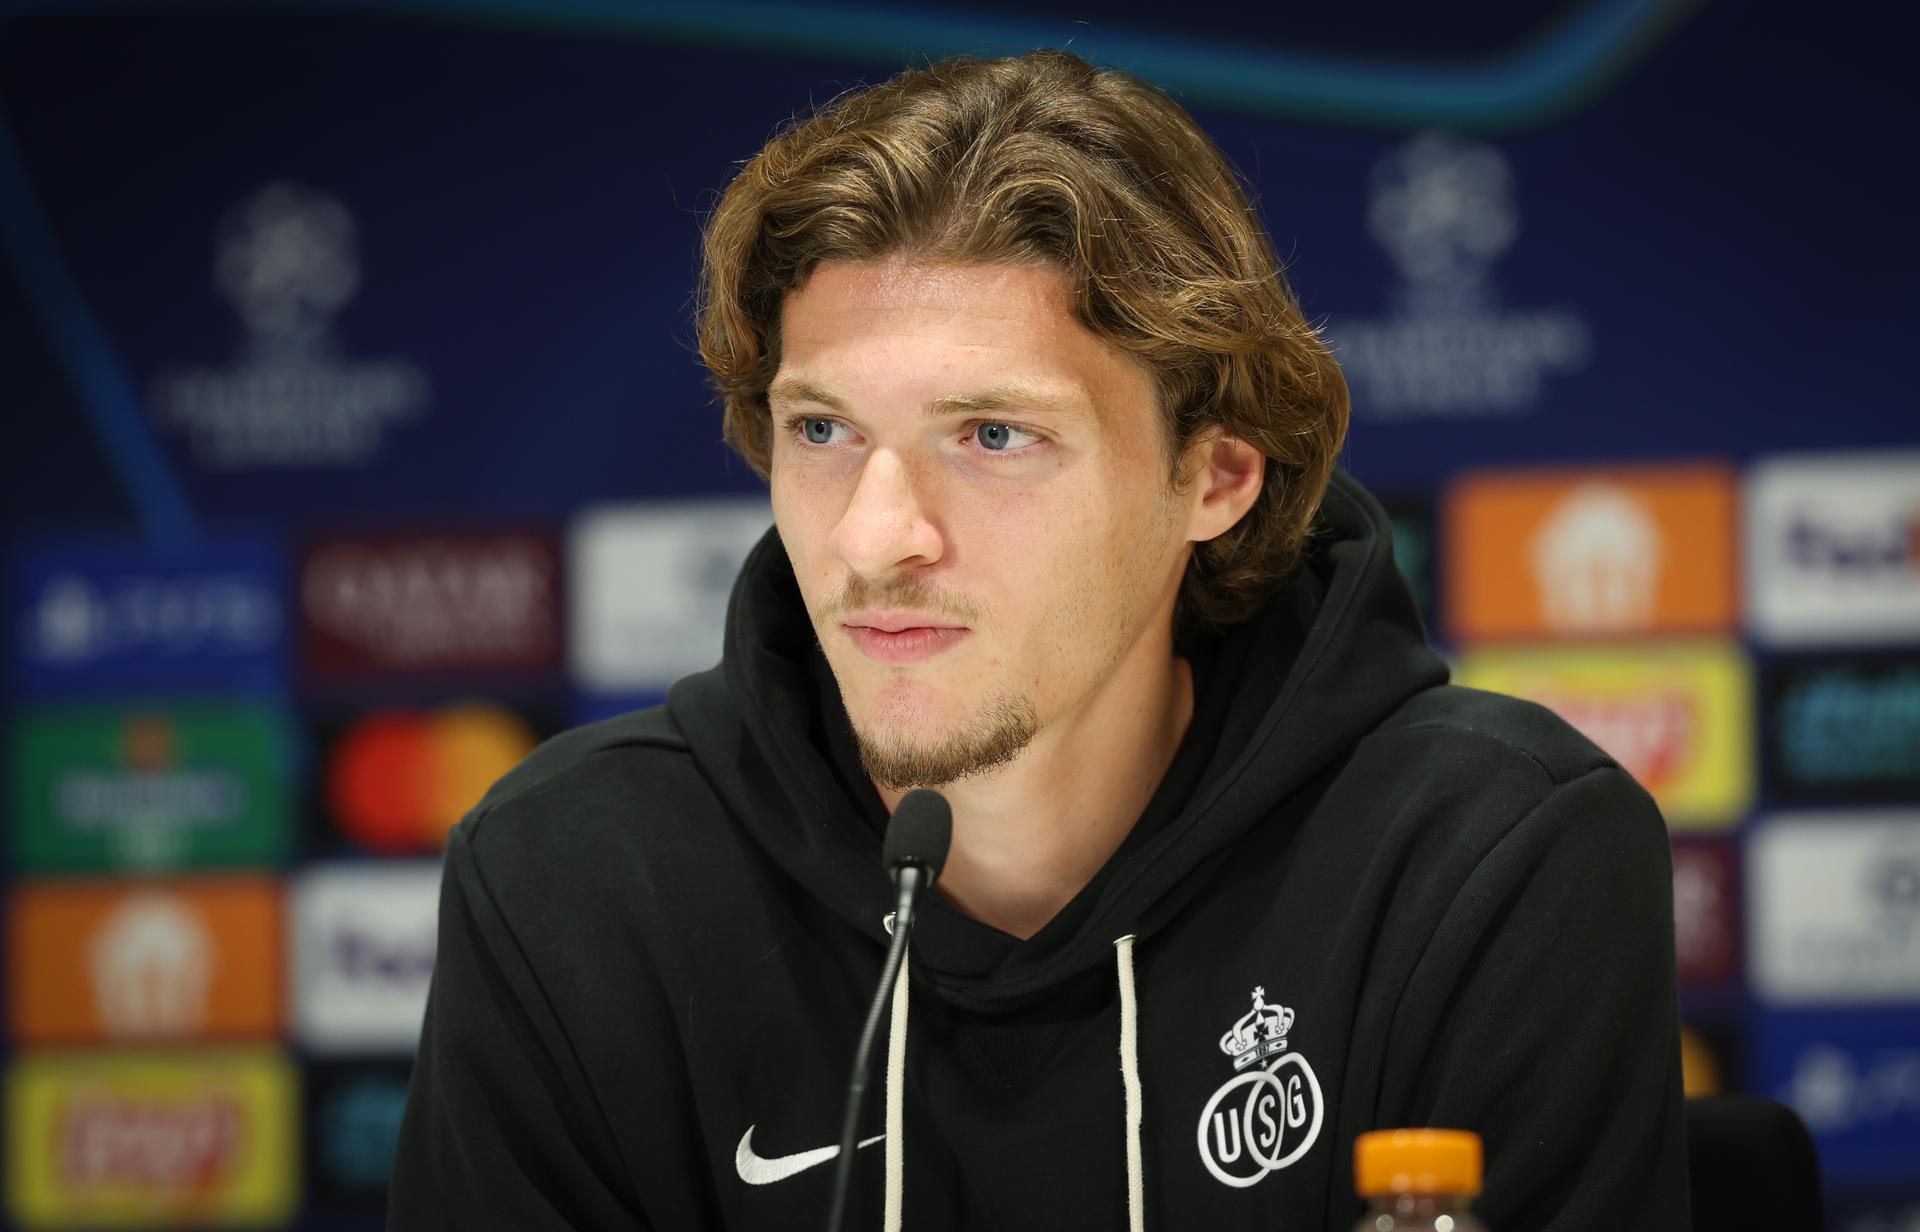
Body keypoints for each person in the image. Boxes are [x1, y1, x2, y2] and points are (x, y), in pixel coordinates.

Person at [388, 49, 1689, 1231]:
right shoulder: (575, 880)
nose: (876, 538)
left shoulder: (1488, 860)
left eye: (994, 436)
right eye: (823, 431)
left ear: (1216, 476)